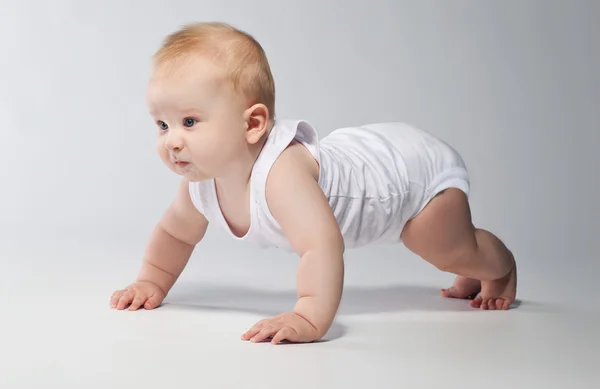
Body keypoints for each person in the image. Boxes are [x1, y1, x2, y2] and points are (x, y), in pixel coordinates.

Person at [110, 22, 517, 344]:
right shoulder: (201, 181)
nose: (171, 140)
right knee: (446, 249)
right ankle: (468, 266)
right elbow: (175, 235)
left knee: (437, 242)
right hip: (374, 154)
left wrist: (309, 313)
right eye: (162, 124)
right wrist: (151, 281)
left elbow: (321, 244)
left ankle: (497, 268)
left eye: (190, 122)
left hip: (406, 177)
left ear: (252, 124)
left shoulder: (282, 172)